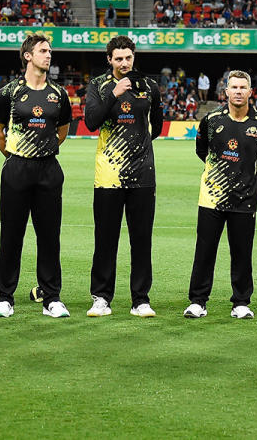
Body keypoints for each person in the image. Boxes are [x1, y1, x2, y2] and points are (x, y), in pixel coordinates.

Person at [0, 34, 72, 318]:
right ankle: (4, 298)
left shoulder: (58, 94)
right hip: (17, 169)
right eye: (43, 51)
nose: (49, 55)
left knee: (49, 236)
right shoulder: (10, 92)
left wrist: (43, 150)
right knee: (12, 235)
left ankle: (52, 298)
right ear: (28, 56)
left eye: (50, 51)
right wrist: (14, 156)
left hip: (49, 169)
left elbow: (62, 130)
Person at [83, 35, 163, 318]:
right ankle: (101, 298)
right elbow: (91, 121)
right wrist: (114, 94)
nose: (124, 63)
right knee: (105, 238)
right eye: (119, 58)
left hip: (142, 174)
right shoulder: (98, 86)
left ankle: (140, 299)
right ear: (109, 60)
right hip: (108, 175)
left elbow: (159, 125)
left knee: (141, 239)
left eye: (128, 57)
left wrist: (139, 150)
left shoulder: (149, 86)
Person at [183, 71, 257, 319]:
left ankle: (241, 302)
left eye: (243, 87)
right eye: (233, 87)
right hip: (212, 197)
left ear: (250, 92)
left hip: (245, 198)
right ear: (225, 91)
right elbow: (201, 150)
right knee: (205, 250)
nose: (238, 91)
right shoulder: (211, 120)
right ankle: (198, 301)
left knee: (242, 252)